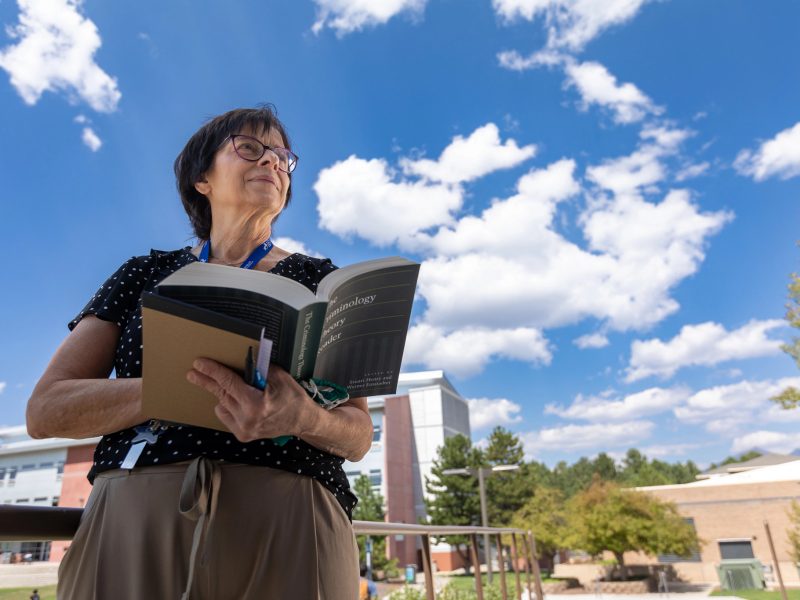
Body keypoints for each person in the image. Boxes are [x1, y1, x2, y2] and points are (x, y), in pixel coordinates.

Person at [26, 105, 373, 599]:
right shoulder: (141, 274)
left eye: (282, 157)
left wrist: (303, 418)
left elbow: (358, 436)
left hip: (291, 519)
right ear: (200, 178)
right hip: (134, 517)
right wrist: (172, 390)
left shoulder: (321, 281)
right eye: (250, 148)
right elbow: (45, 410)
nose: (272, 163)